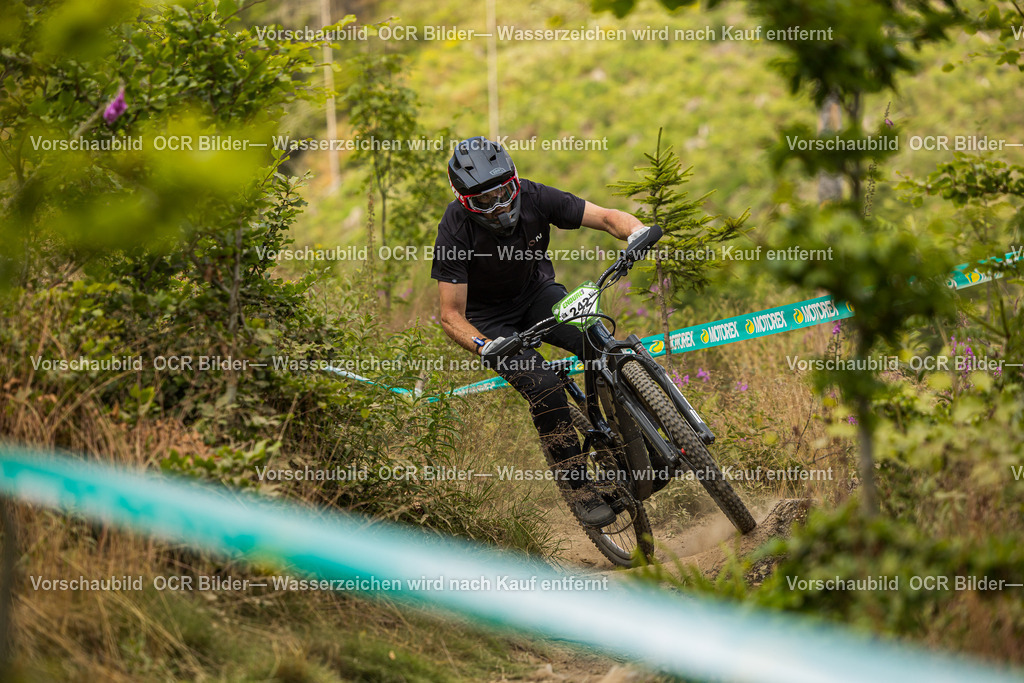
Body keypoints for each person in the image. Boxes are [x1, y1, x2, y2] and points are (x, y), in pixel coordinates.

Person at [431, 136, 646, 527]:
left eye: (504, 192)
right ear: (464, 201)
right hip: (490, 323)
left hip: (537, 295)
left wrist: (636, 232)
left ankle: (631, 426)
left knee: (600, 341)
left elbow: (605, 216)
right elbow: (450, 315)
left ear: (514, 181)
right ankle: (579, 489)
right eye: (483, 200)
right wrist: (483, 345)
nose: (498, 205)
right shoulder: (454, 229)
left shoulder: (534, 196)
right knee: (544, 387)